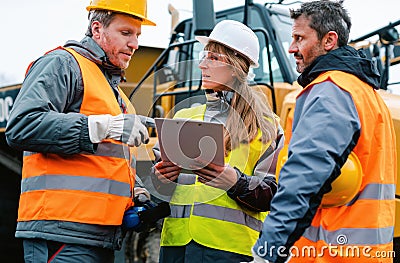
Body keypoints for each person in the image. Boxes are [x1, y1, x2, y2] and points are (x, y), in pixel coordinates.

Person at [5, 0, 156, 262]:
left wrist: (137, 192)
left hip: (99, 236)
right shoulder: (62, 63)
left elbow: (108, 162)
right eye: (126, 33)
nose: (135, 44)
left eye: (137, 35)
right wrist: (104, 126)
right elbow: (21, 126)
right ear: (97, 29)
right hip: (61, 234)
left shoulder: (116, 94)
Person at [250, 1, 397, 262]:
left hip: (327, 253)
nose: (291, 47)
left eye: (299, 38)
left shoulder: (330, 89)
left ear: (329, 40)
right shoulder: (366, 93)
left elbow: (303, 178)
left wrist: (267, 250)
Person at [151, 20, 284, 263]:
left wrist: (237, 183)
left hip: (231, 249)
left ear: (233, 66)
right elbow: (160, 189)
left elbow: (276, 195)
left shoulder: (267, 125)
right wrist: (160, 179)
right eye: (204, 56)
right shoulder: (184, 116)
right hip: (176, 245)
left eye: (211, 57)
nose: (201, 64)